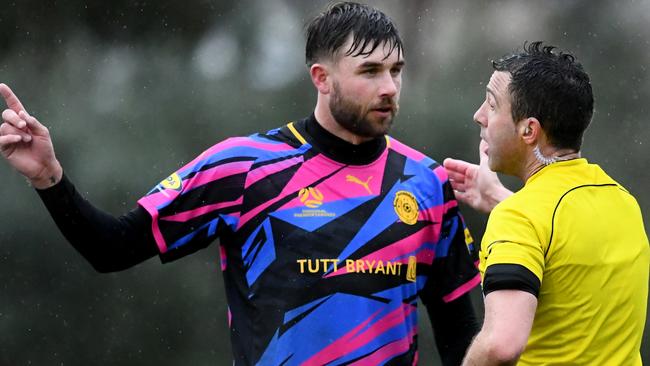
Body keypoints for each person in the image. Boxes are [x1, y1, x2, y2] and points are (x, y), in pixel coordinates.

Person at [0, 2, 481, 364]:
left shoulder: (428, 183)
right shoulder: (244, 167)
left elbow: (459, 330)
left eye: (396, 71)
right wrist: (50, 178)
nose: (390, 88)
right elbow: (111, 248)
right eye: (371, 71)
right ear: (322, 78)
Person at [443, 41, 649, 365]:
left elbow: (501, 345)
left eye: (492, 105)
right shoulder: (624, 202)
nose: (479, 116)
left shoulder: (519, 218)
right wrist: (497, 196)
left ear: (529, 130)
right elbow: (565, 241)